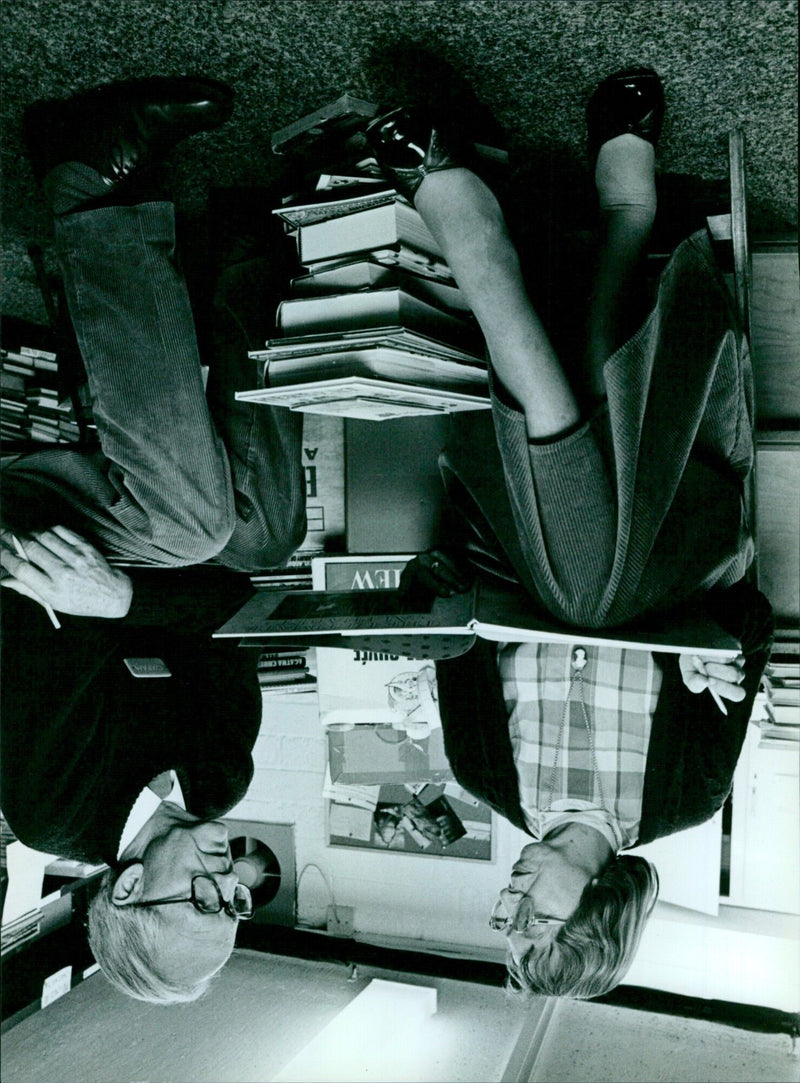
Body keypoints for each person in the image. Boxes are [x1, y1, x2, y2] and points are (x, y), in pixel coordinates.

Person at [367, 68, 774, 998]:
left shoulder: (482, 774)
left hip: (521, 527)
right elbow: (747, 615)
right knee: (597, 584)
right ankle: (474, 213)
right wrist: (722, 660)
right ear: (597, 901)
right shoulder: (686, 794)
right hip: (674, 528)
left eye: (502, 917)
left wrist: (407, 618)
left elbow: (449, 611)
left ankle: (621, 202)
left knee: (577, 558)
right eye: (536, 914)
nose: (510, 896)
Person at [0, 76, 306, 1002]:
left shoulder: (59, 811)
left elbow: (65, 599)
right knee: (266, 536)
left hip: (27, 541)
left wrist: (139, 608)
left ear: (129, 888)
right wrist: (141, 607)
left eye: (202, 898)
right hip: (115, 572)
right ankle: (247, 258)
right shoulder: (219, 776)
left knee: (198, 525)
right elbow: (235, 611)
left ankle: (86, 187)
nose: (231, 876)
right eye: (236, 901)